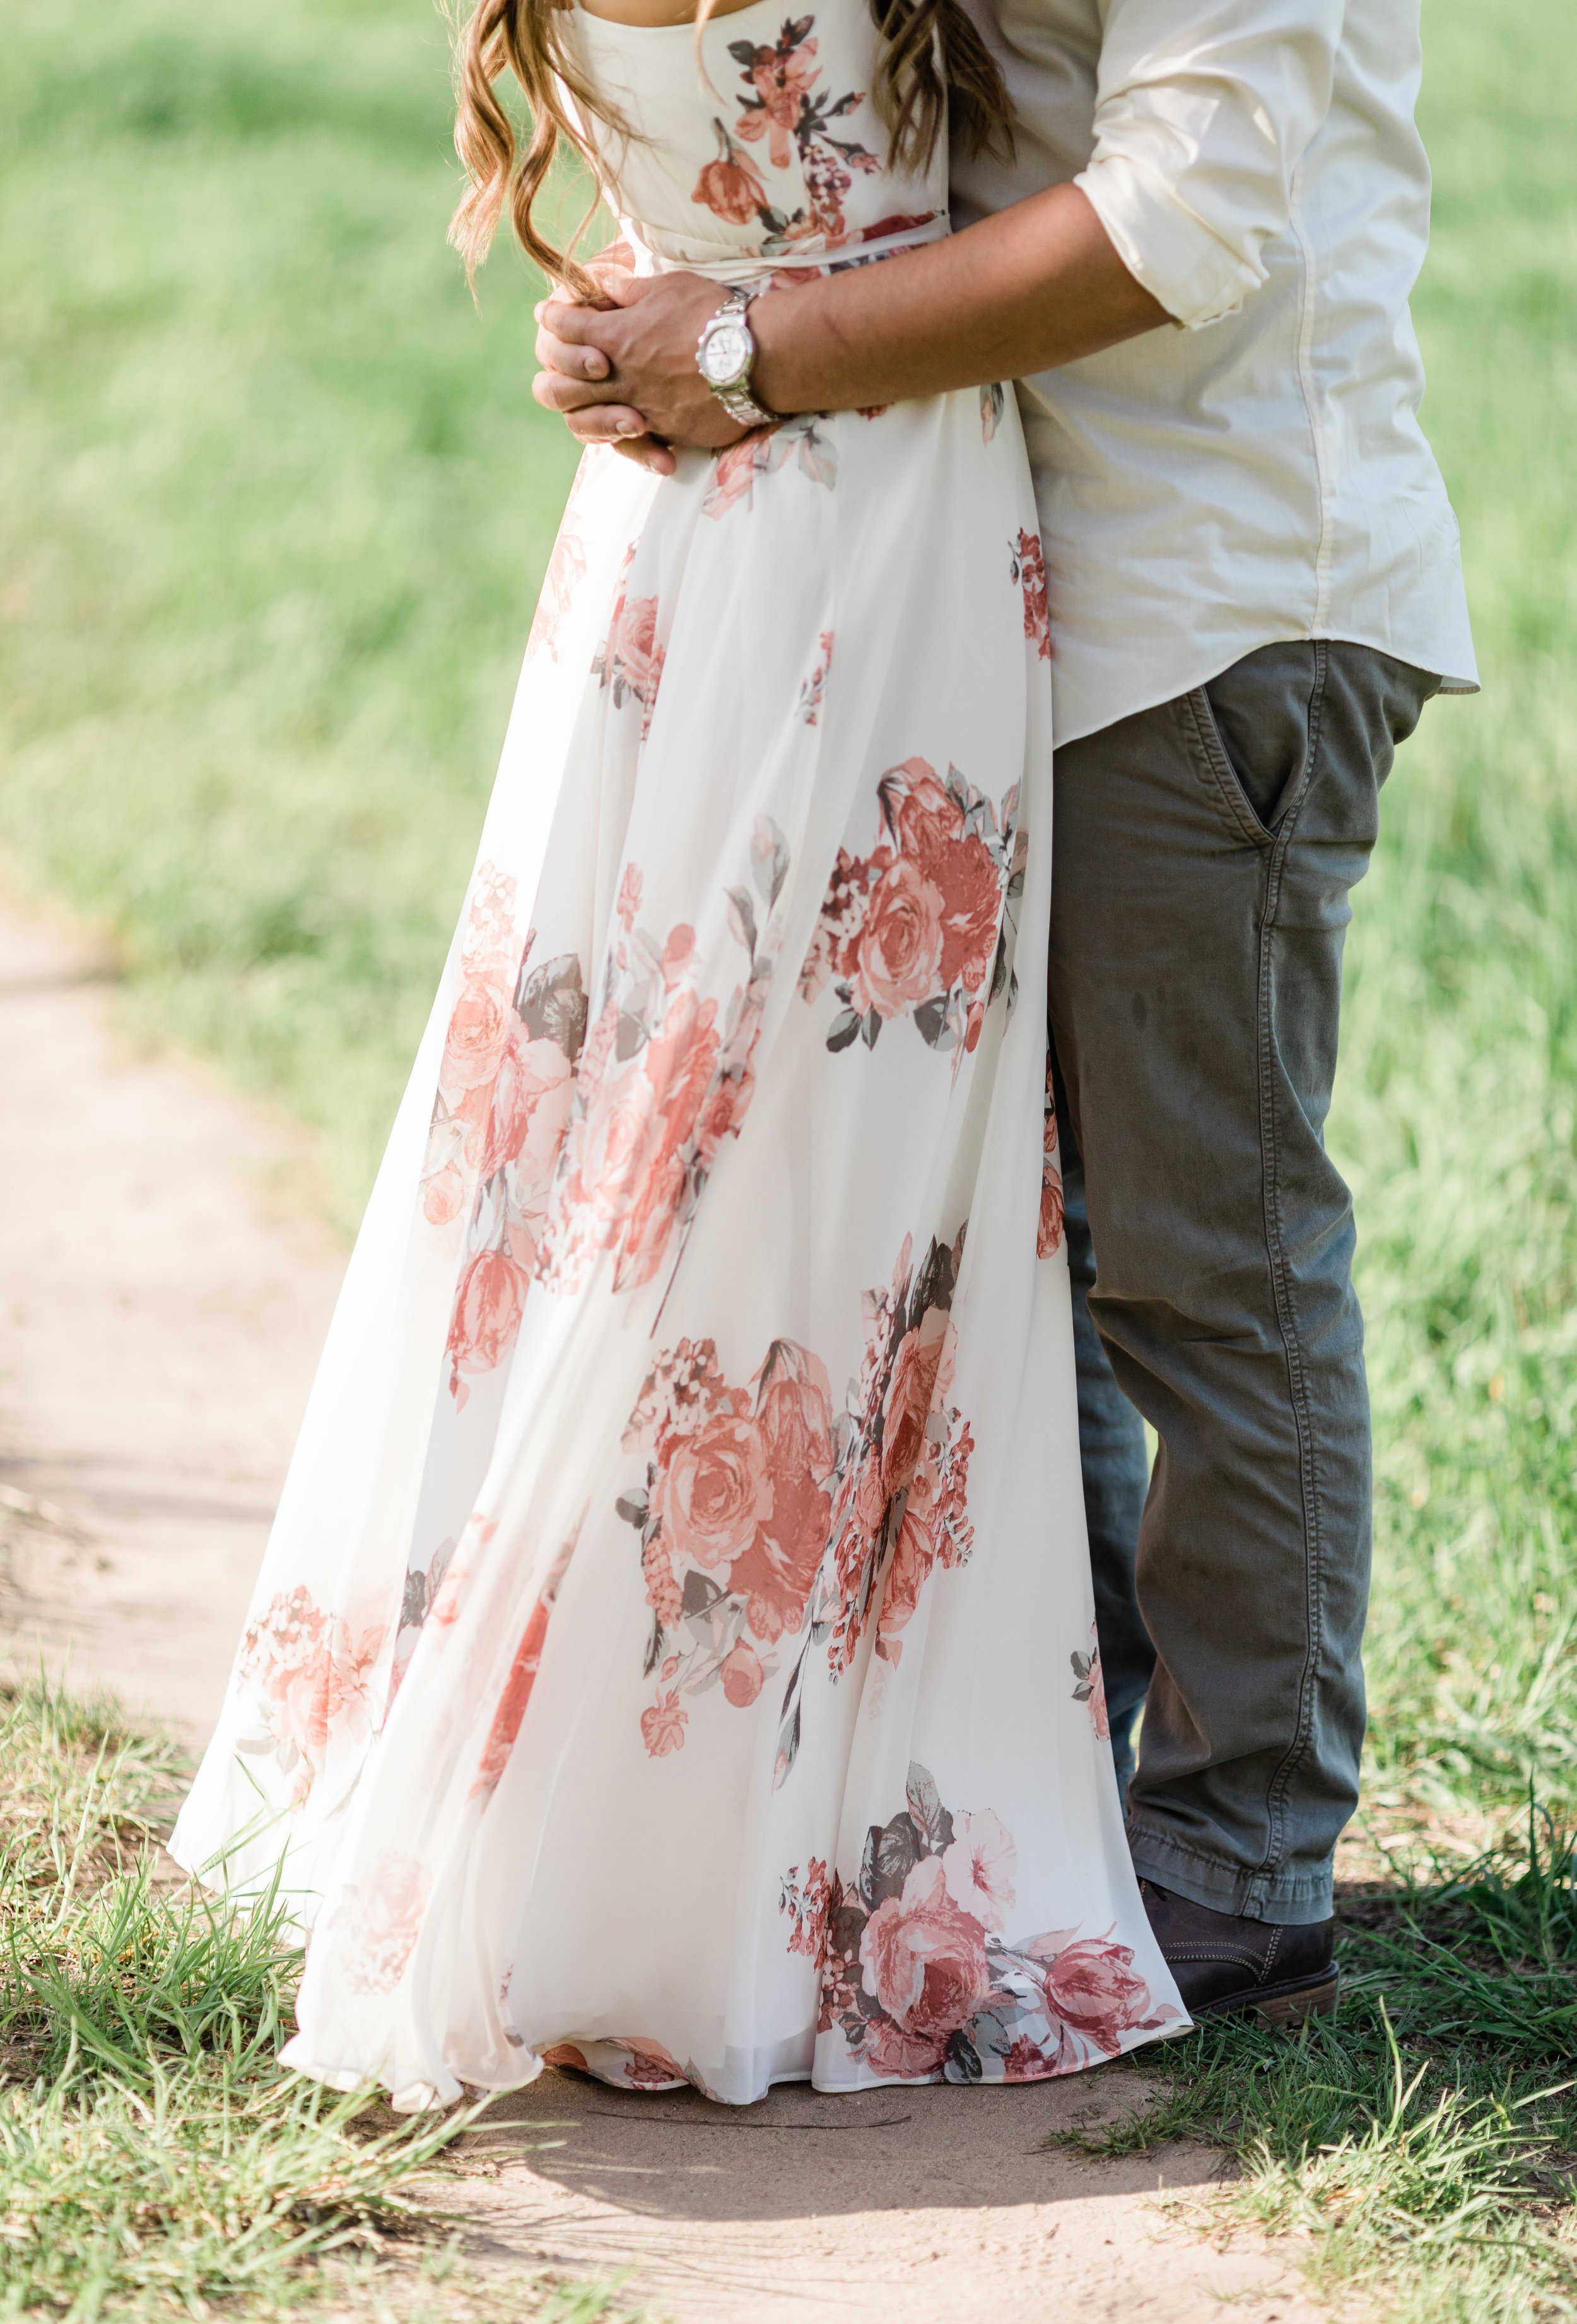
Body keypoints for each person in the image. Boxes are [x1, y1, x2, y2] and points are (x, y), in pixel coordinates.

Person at [171, 0, 1193, 2107]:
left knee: (719, 1139)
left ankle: (757, 1800)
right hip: (840, 513)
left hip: (721, 521)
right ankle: (693, 1837)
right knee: (770, 1160)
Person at [531, 0, 1479, 2021]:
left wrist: (740, 351)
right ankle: (1046, 1778)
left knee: (1195, 1256)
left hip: (1203, 601)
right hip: (959, 588)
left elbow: (1177, 223)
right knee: (996, 1255)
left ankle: (1240, 1841)